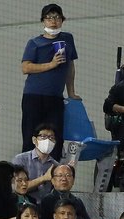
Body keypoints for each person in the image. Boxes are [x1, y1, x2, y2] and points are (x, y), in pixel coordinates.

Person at [20, 4, 78, 155]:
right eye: (49, 18)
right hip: (34, 96)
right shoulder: (34, 43)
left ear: (62, 20)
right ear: (43, 21)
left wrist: (71, 92)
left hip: (55, 97)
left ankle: (53, 174)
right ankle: (29, 173)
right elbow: (26, 68)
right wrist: (51, 64)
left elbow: (70, 66)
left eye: (57, 17)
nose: (53, 21)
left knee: (55, 137)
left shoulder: (67, 39)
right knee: (31, 136)